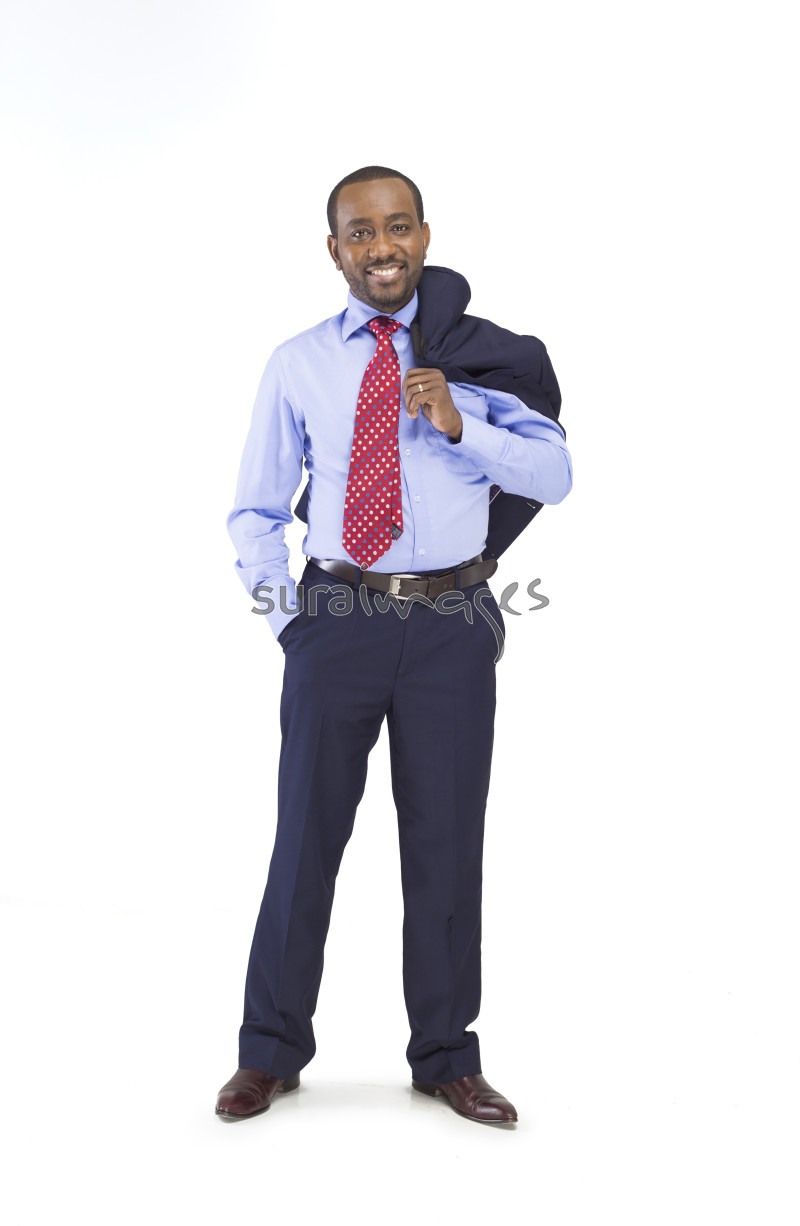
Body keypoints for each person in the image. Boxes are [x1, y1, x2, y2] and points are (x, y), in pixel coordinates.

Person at [217, 165, 573, 1126]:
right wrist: (289, 621)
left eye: (399, 226)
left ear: (425, 236)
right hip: (336, 619)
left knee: (448, 844)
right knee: (305, 841)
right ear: (335, 249)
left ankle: (447, 1057)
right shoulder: (298, 363)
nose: (383, 247)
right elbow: (254, 510)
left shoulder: (477, 357)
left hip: (453, 624)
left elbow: (555, 474)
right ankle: (270, 1052)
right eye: (362, 232)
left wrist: (462, 426)